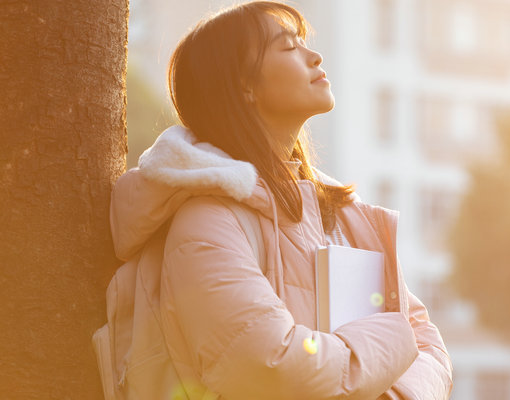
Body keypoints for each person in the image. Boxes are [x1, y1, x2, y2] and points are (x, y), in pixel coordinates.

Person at [110, 1, 452, 399]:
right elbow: (270, 368)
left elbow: (431, 350)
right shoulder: (207, 221)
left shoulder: (341, 216)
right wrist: (392, 339)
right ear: (243, 86)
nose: (314, 55)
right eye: (289, 47)